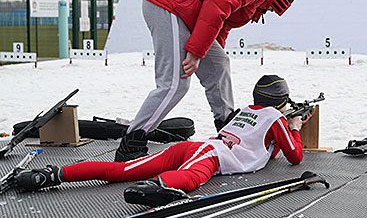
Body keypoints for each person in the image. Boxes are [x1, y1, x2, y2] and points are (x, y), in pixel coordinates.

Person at [115, 0, 300, 162]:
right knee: (175, 84)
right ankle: (132, 143)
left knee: (219, 63)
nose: (268, 11)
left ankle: (227, 126)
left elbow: (222, 22)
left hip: (185, 6)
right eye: (273, 8)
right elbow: (217, 4)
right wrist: (196, 51)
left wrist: (206, 52)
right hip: (171, 2)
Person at [14, 75, 310, 206]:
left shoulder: (246, 111)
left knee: (121, 170)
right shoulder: (276, 118)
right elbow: (294, 156)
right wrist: (294, 126)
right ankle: (158, 186)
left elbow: (264, 148)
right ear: (282, 101)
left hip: (194, 147)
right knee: (190, 179)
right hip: (211, 154)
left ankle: (52, 174)